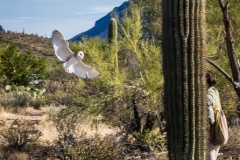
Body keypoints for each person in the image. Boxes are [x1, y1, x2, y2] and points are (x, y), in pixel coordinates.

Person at [206, 70, 221, 160]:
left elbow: (210, 119)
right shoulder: (215, 91)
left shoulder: (208, 96)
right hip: (218, 132)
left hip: (211, 135)